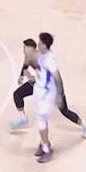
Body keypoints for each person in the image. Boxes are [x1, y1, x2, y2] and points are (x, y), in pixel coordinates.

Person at [10, 39, 86, 139]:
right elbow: (25, 67)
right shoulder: (29, 57)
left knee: (64, 111)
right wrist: (23, 77)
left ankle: (85, 126)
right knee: (17, 94)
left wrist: (59, 94)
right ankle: (23, 117)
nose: (23, 49)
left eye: (25, 48)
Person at [33, 33, 62, 163]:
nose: (38, 44)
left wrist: (59, 95)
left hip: (47, 93)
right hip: (39, 91)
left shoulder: (50, 60)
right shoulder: (41, 54)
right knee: (41, 119)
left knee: (42, 118)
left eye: (40, 42)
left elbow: (57, 77)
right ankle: (44, 143)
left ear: (45, 45)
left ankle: (46, 148)